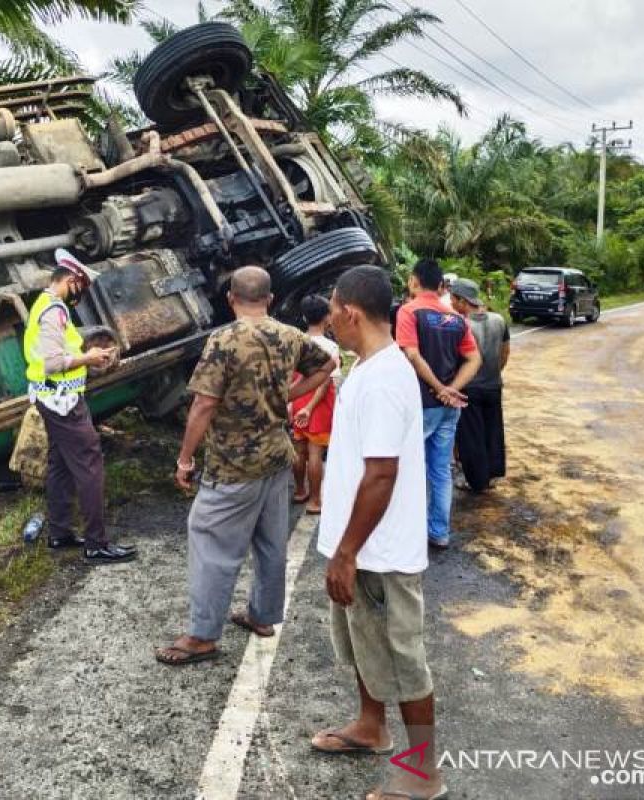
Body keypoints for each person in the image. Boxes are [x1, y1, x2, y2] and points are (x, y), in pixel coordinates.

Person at [311, 265, 445, 800]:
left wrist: (346, 552)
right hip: (358, 546)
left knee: (403, 662)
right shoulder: (367, 367)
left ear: (349, 312)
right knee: (366, 648)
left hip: (379, 552)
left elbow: (382, 472)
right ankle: (370, 726)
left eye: (332, 307)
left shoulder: (388, 377)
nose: (330, 317)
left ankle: (422, 775)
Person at [155, 267, 334, 665]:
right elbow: (326, 366)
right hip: (276, 458)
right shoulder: (290, 335)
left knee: (211, 544)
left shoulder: (224, 340)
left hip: (233, 465)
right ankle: (262, 616)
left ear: (231, 299)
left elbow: (204, 403)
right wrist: (290, 394)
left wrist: (185, 458)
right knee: (271, 545)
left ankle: (202, 635)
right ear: (268, 299)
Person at [23, 248, 136, 564]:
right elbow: (53, 362)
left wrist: (90, 359)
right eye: (81, 287)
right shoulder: (53, 312)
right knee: (90, 464)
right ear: (70, 280)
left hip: (55, 398)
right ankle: (97, 544)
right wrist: (90, 357)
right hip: (62, 403)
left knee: (60, 465)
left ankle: (60, 534)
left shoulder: (48, 306)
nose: (81, 294)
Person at [395, 258, 481, 548]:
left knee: (411, 469)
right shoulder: (456, 318)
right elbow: (474, 359)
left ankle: (410, 533)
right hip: (448, 408)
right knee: (441, 470)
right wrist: (451, 390)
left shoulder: (409, 312)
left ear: (414, 281)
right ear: (442, 285)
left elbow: (411, 354)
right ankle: (439, 532)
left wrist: (438, 388)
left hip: (420, 405)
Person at [449, 278, 509, 492]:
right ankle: (492, 475)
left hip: (470, 388)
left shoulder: (460, 324)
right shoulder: (499, 320)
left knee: (471, 435)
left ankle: (476, 481)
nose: (451, 303)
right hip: (494, 385)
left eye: (454, 299)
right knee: (493, 430)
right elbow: (505, 352)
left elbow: (457, 358)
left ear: (463, 301)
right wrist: (494, 372)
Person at [290, 295, 340, 515]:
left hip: (298, 400)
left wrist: (293, 405)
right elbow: (326, 380)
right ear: (327, 318)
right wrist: (310, 408)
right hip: (318, 405)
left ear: (303, 316)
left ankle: (300, 491)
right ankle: (315, 500)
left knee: (299, 451)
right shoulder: (330, 347)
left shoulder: (295, 341)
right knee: (315, 454)